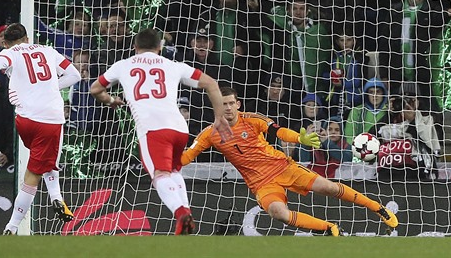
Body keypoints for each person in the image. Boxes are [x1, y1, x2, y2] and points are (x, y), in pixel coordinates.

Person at [182, 87, 398, 235]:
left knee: (329, 188)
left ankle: (376, 207)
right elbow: (185, 158)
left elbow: (278, 131)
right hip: (261, 183)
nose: (227, 108)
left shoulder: (252, 119)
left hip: (282, 167)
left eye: (231, 103)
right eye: (223, 104)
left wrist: (299, 138)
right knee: (279, 214)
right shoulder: (209, 134)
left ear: (237, 104)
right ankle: (329, 229)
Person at [90, 28, 232, 235]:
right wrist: (219, 117)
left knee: (159, 175)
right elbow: (212, 84)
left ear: (135, 47)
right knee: (174, 171)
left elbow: (95, 88)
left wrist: (111, 100)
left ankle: (181, 212)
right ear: (160, 47)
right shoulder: (173, 65)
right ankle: (187, 215)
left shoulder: (123, 65)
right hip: (179, 128)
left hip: (152, 129)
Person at [0, 23, 81, 235]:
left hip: (24, 119)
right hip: (49, 119)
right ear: (27, 38)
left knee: (43, 157)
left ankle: (57, 197)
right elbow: (75, 76)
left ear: (6, 43)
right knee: (34, 173)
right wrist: (51, 86)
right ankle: (12, 226)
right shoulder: (48, 51)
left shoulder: (10, 53)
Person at [344, 77, 389, 144]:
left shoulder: (388, 111)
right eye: (371, 92)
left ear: (383, 94)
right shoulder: (357, 111)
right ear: (366, 95)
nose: (375, 95)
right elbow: (349, 136)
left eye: (378, 92)